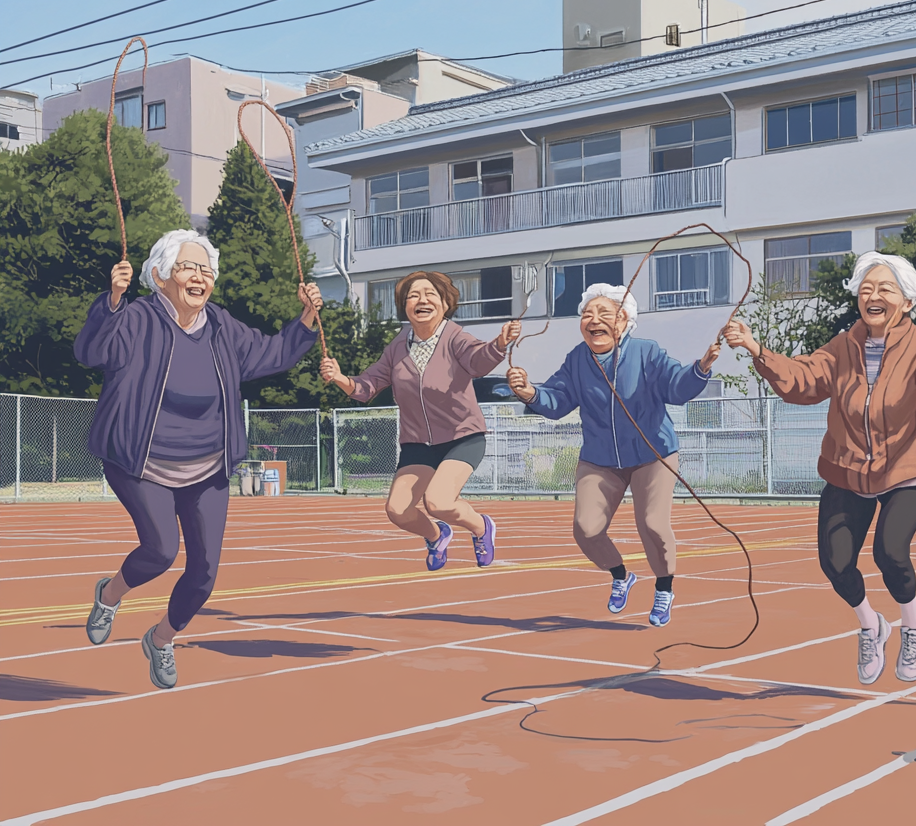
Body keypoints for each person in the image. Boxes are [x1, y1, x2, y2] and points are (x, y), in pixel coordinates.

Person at [723, 251, 916, 685]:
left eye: (885, 289)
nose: (873, 296)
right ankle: (872, 625)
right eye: (867, 289)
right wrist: (758, 349)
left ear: (907, 302)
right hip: (847, 469)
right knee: (835, 564)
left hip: (905, 469)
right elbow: (803, 379)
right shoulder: (843, 347)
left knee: (889, 553)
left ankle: (914, 625)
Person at [75, 229, 323, 689]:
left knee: (205, 573)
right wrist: (111, 299)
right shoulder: (136, 318)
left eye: (206, 271)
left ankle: (162, 639)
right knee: (161, 550)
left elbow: (270, 353)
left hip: (208, 465)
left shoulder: (222, 326)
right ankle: (110, 595)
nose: (200, 277)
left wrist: (307, 317)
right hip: (140, 459)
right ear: (160, 276)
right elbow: (91, 352)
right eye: (189, 267)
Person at [506, 284, 720, 627]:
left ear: (625, 320)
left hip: (653, 453)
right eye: (587, 314)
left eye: (604, 314)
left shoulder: (646, 353)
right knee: (586, 529)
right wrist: (530, 392)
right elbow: (557, 401)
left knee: (652, 523)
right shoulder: (577, 359)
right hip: (600, 457)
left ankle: (664, 588)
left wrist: (701, 368)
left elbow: (676, 387)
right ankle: (621, 575)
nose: (594, 321)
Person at [320, 271, 520, 570]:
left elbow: (477, 360)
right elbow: (367, 387)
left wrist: (499, 344)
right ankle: (437, 535)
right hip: (418, 443)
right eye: (413, 295)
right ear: (404, 306)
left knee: (438, 502)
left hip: (461, 436)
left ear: (444, 303)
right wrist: (339, 378)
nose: (421, 300)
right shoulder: (398, 347)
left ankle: (481, 527)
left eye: (430, 294)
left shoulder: (455, 338)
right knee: (397, 510)